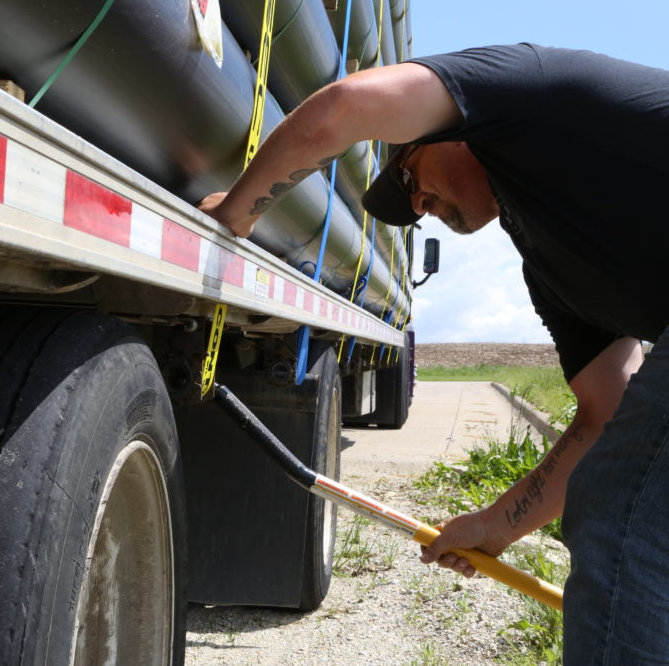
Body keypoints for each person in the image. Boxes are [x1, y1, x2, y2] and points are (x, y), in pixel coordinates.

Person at [198, 43, 669, 664]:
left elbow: (340, 110)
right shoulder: (552, 269)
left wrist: (234, 213)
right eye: (410, 206)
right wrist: (494, 526)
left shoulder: (517, 89)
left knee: (622, 520)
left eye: (409, 179)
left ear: (443, 132)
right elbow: (603, 416)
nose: (417, 206)